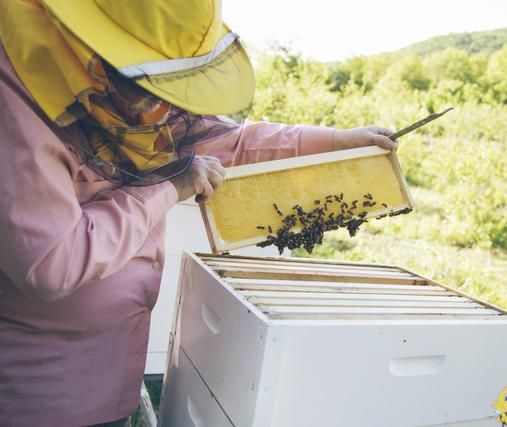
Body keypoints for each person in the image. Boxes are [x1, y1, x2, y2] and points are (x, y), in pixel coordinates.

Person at [0, 0, 397, 426]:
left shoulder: (124, 91)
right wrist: (168, 188)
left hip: (109, 374)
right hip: (38, 397)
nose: (165, 108)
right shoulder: (16, 101)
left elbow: (221, 138)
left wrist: (334, 141)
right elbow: (51, 262)